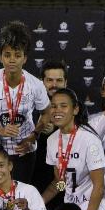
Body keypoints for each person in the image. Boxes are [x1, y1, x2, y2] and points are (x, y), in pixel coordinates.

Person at [0, 21, 50, 183]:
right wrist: (1, 130)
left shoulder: (35, 85)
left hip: (24, 150)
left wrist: (33, 136)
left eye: (17, 56)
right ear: (1, 57)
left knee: (19, 197)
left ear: (25, 58)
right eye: (7, 55)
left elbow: (46, 113)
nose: (12, 60)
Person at [41, 89, 105, 210]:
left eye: (63, 106)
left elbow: (99, 187)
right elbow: (60, 183)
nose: (57, 110)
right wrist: (39, 203)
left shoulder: (89, 139)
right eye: (53, 106)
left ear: (75, 109)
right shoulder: (51, 140)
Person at [32, 60, 69, 194]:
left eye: (59, 80)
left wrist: (57, 130)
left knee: (61, 203)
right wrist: (37, 129)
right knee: (38, 206)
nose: (54, 85)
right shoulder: (30, 105)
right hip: (35, 169)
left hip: (65, 170)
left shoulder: (77, 107)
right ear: (42, 82)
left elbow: (82, 134)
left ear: (66, 82)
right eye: (49, 80)